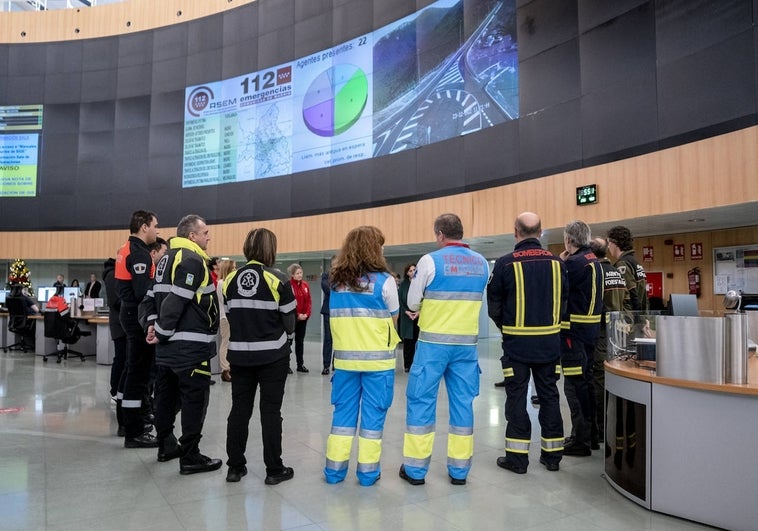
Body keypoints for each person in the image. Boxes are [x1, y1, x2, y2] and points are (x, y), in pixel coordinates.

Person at [400, 213, 489, 486]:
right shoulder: (482, 263)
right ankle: (459, 471)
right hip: (466, 347)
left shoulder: (430, 260)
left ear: (440, 234)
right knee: (463, 405)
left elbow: (413, 302)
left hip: (433, 346)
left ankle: (415, 471)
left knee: (421, 402)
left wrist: (424, 307)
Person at [487, 212, 567, 474]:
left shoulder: (504, 263)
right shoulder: (558, 263)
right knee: (549, 396)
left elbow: (494, 306)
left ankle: (518, 459)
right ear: (541, 232)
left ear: (515, 232)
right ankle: (552, 456)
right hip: (549, 345)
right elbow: (565, 303)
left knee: (517, 398)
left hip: (516, 346)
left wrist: (507, 328)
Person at [142, 214, 222, 475]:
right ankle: (190, 456)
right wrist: (162, 331)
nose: (208, 237)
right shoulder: (192, 260)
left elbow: (150, 299)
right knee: (194, 401)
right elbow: (177, 300)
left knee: (165, 396)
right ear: (192, 236)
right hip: (190, 349)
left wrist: (152, 325)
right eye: (205, 232)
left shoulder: (165, 259)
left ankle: (166, 444)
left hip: (166, 351)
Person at [324, 226, 401, 487]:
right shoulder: (385, 281)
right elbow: (393, 318)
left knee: (342, 418)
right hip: (378, 363)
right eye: (380, 244)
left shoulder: (335, 281)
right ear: (373, 248)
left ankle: (334, 473)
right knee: (373, 418)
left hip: (345, 361)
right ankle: (367, 475)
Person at [222, 228, 296, 484]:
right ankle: (274, 470)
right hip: (273, 357)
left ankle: (235, 467)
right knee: (270, 411)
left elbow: (231, 315)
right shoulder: (279, 279)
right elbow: (290, 324)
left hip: (240, 356)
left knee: (240, 410)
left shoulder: (231, 279)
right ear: (270, 249)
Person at [115, 210, 160, 448]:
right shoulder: (140, 254)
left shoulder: (125, 249)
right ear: (144, 226)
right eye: (155, 226)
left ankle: (127, 422)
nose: (157, 231)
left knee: (131, 370)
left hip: (128, 312)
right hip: (137, 316)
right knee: (139, 374)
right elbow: (144, 293)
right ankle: (134, 431)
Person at [559, 221, 604, 457]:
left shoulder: (573, 264)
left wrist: (560, 261)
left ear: (569, 240)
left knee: (574, 387)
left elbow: (557, 286)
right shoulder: (593, 261)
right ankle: (591, 436)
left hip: (573, 334)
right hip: (591, 332)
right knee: (586, 384)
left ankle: (581, 440)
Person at [589, 237, 627, 449]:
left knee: (597, 381)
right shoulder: (616, 272)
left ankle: (600, 430)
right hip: (617, 333)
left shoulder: (597, 272)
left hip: (600, 334)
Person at [607, 226, 648, 312]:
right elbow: (644, 296)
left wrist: (637, 319)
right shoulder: (636, 263)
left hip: (629, 317)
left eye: (609, 242)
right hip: (640, 314)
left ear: (615, 243)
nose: (608, 246)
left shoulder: (623, 264)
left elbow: (632, 293)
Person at [103, 257, 126, 404]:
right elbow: (115, 301)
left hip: (124, 323)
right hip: (119, 324)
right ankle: (115, 392)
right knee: (121, 358)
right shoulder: (112, 275)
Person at [288, 263, 312, 373]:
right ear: (292, 275)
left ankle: (300, 364)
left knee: (300, 342)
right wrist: (297, 315)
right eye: (297, 273)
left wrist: (306, 314)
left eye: (301, 273)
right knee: (289, 342)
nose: (299, 275)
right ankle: (286, 365)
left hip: (303, 319)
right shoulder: (289, 285)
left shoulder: (305, 285)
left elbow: (308, 301)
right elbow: (290, 302)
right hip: (293, 319)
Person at [216, 258, 236, 382]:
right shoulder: (222, 283)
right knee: (226, 342)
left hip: (230, 317)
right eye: (233, 267)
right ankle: (225, 369)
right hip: (225, 317)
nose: (235, 269)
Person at [397, 262, 420, 372]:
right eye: (410, 270)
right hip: (407, 317)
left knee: (417, 341)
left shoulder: (420, 283)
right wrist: (406, 311)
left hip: (418, 316)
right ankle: (407, 365)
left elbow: (424, 299)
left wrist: (419, 311)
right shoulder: (403, 285)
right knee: (408, 342)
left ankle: (416, 363)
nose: (413, 272)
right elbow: (400, 301)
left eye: (414, 269)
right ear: (407, 273)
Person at [320, 256, 336, 375]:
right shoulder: (326, 275)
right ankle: (326, 365)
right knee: (328, 339)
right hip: (328, 311)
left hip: (341, 311)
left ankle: (336, 364)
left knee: (340, 338)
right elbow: (327, 289)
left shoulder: (345, 275)